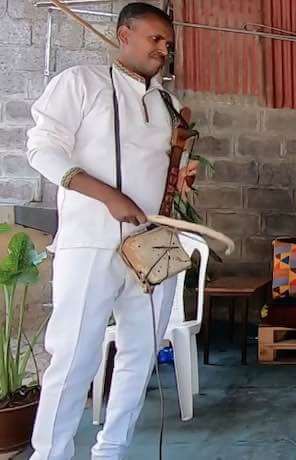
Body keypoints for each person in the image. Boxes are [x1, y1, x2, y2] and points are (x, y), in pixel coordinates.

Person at [26, 3, 184, 458]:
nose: (163, 50)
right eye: (155, 39)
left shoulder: (167, 102)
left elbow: (159, 171)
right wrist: (106, 195)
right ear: (123, 35)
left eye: (168, 45)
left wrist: (181, 180)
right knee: (74, 356)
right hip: (90, 241)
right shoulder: (80, 82)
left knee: (139, 354)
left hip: (151, 246)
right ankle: (50, 454)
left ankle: (111, 450)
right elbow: (42, 150)